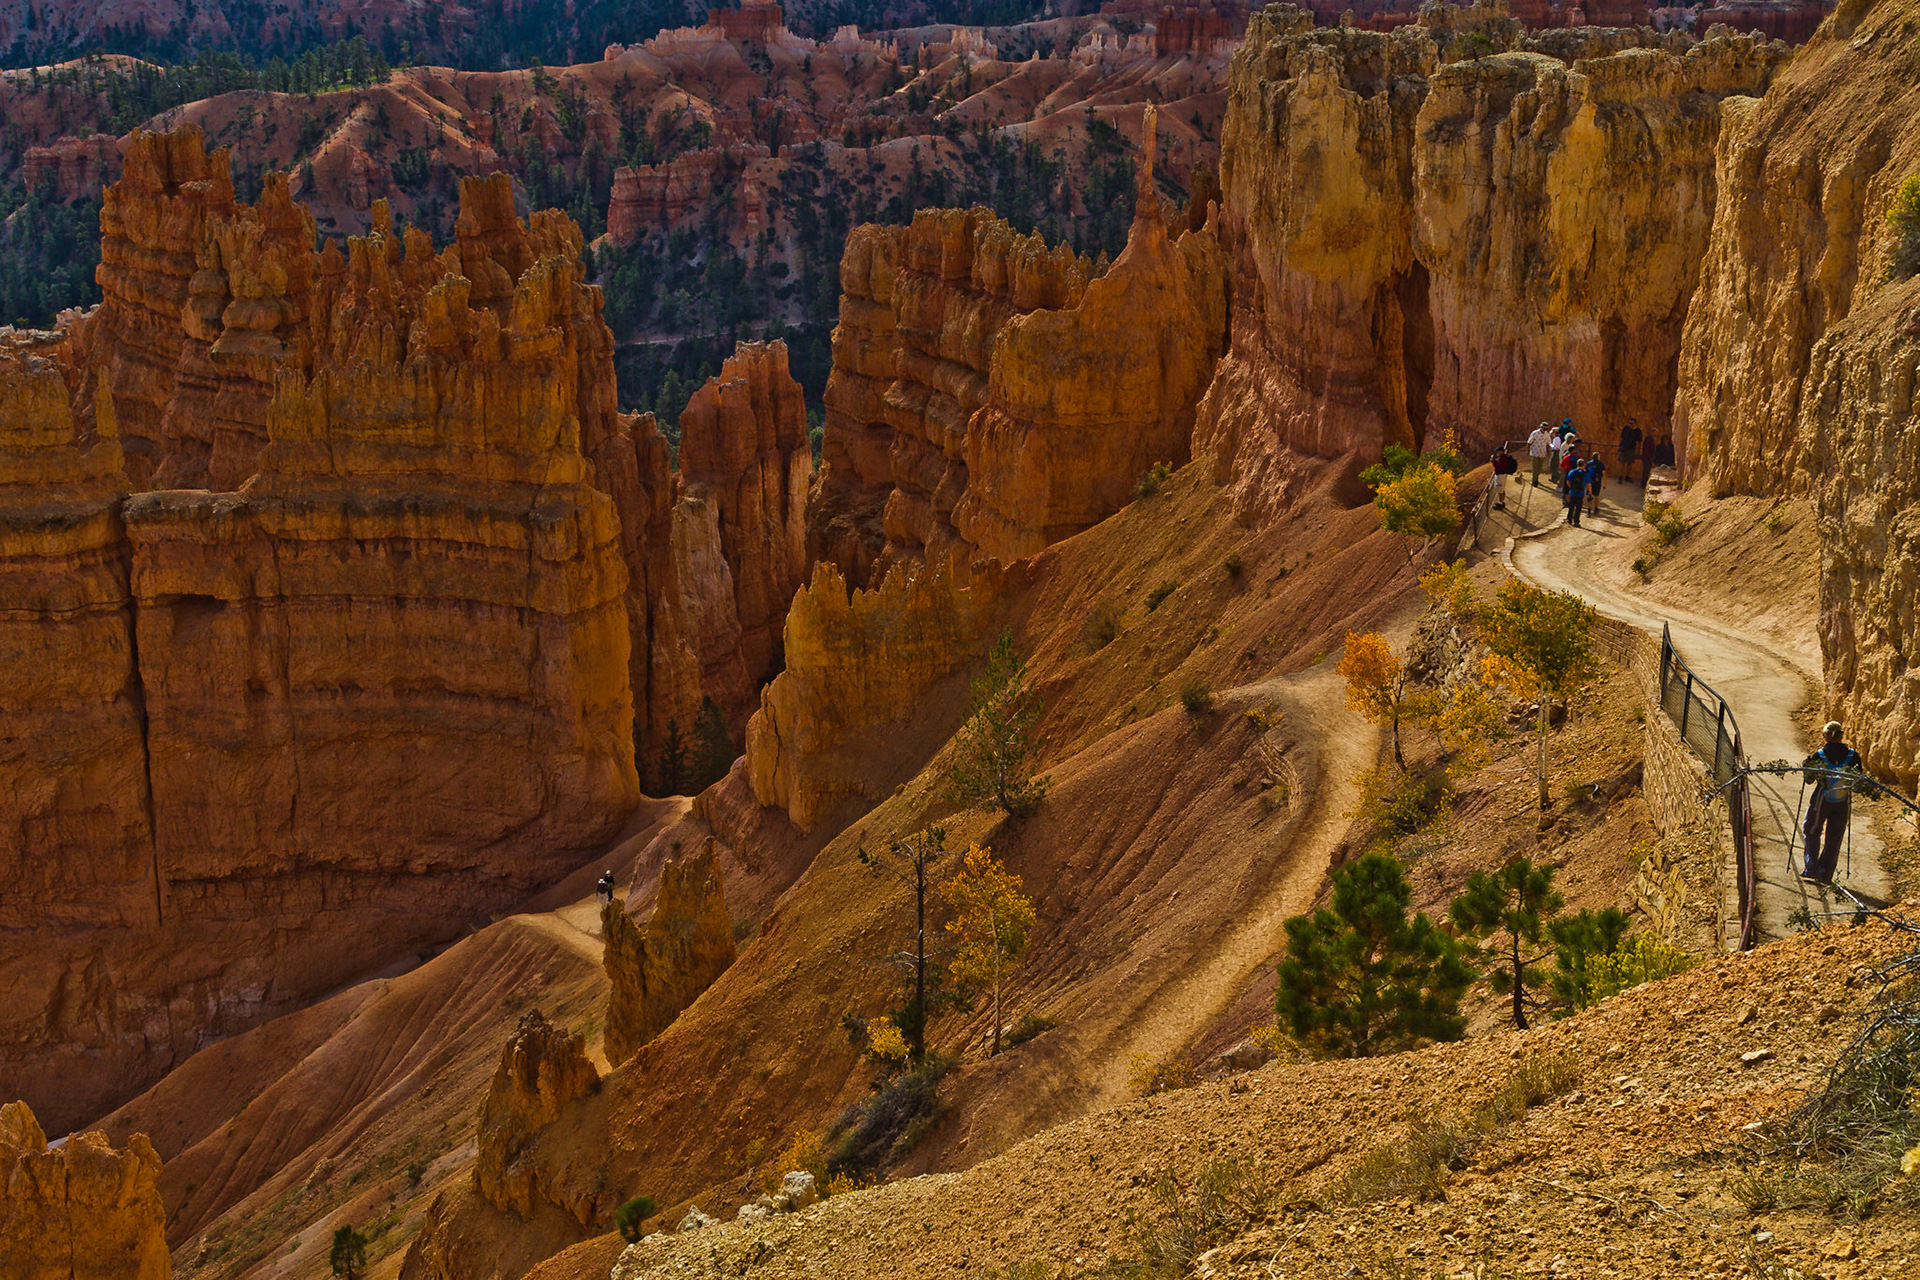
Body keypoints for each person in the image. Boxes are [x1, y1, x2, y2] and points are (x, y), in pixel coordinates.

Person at [1801, 723, 1863, 883]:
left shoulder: (1820, 755)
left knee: (1812, 831)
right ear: (1841, 735)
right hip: (1842, 801)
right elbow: (1858, 781)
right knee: (1834, 836)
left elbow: (1808, 780)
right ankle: (1825, 873)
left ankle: (1811, 869)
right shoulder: (1853, 756)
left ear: (1827, 736)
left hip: (1821, 801)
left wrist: (1806, 767)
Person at [1562, 453, 1589, 527]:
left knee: (1571, 506)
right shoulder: (1585, 473)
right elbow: (1588, 483)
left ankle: (1569, 519)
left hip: (1572, 492)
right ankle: (1576, 521)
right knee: (1578, 508)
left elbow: (1568, 481)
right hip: (1580, 493)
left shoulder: (1572, 472)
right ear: (1583, 465)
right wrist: (1589, 491)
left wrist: (1571, 487)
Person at [1490, 443, 1518, 508]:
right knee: (1502, 489)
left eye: (1498, 451)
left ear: (1501, 451)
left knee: (1500, 490)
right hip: (1502, 475)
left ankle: (1500, 503)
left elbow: (1499, 467)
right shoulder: (1503, 458)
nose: (1497, 453)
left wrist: (1493, 462)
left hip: (1501, 475)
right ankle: (1501, 502)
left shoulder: (1503, 459)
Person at [1618, 418, 1642, 485]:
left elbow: (1639, 441)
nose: (1630, 424)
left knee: (1629, 463)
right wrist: (1619, 446)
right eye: (1629, 423)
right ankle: (1620, 476)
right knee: (1622, 462)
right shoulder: (1626, 428)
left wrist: (1638, 451)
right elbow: (1621, 437)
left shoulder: (1637, 431)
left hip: (1631, 448)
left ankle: (1627, 476)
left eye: (1632, 423)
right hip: (1623, 447)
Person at [1527, 422, 1551, 486]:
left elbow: (1548, 443)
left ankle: (1536, 478)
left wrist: (1548, 452)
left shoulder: (1547, 434)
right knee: (1535, 467)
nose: (1544, 430)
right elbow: (1529, 442)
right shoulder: (1535, 433)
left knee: (1540, 467)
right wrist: (1528, 451)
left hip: (1542, 452)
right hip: (1535, 452)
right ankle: (1534, 481)